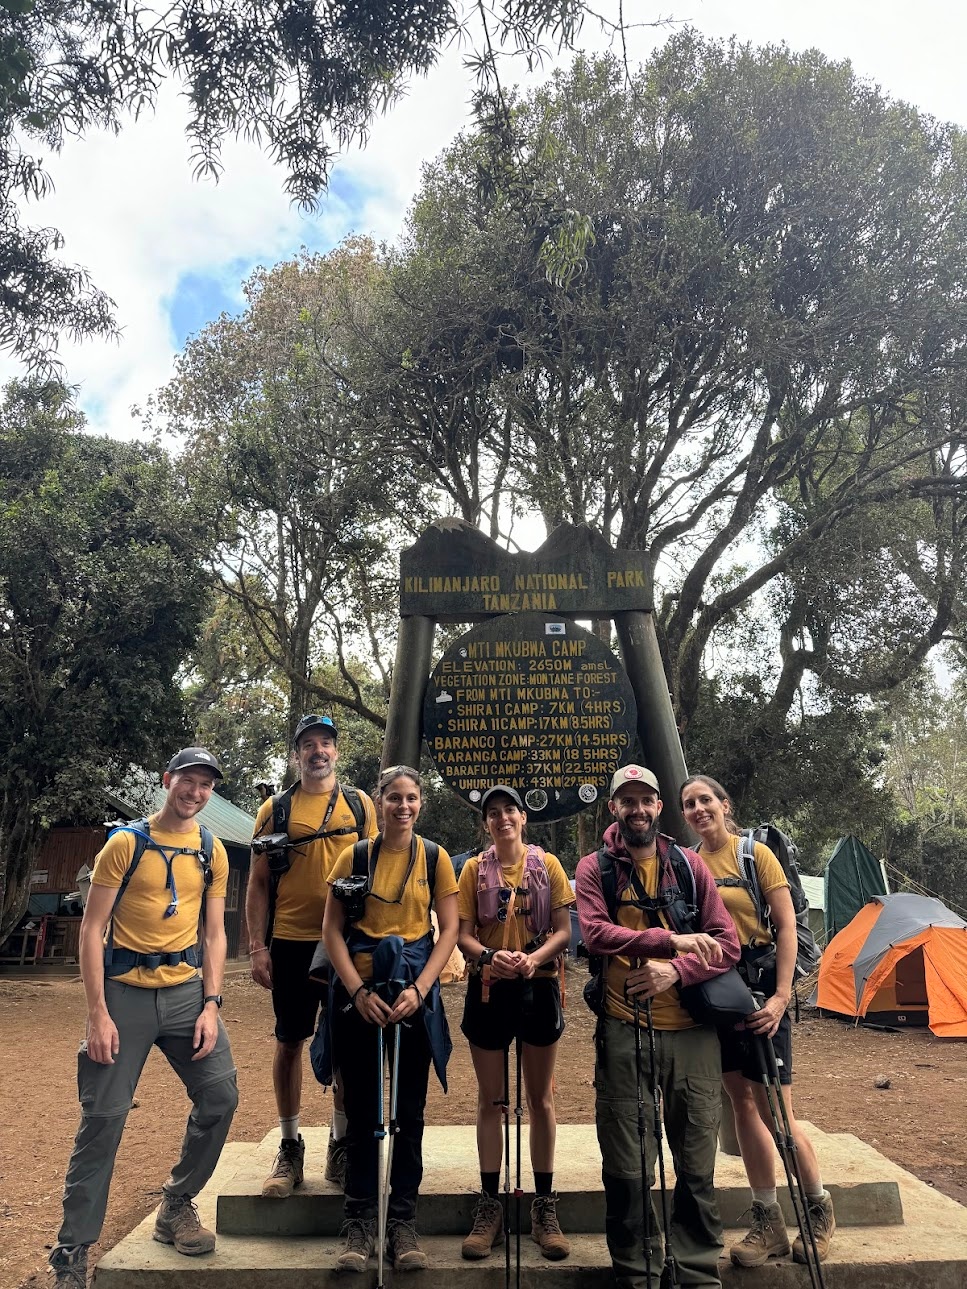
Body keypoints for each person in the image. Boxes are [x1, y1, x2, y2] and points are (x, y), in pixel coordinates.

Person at [49, 748, 239, 1289]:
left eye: (205, 785)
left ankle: (176, 1204)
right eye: (188, 780)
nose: (195, 792)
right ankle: (72, 1251)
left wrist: (211, 1003)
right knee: (104, 1118)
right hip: (124, 995)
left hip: (185, 993)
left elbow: (215, 933)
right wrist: (97, 1014)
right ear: (168, 780)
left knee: (221, 1095)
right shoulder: (124, 845)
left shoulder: (211, 850)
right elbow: (91, 929)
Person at [575, 764, 741, 1289]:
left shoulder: (690, 867)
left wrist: (677, 970)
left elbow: (727, 942)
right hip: (625, 1029)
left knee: (695, 1157)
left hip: (692, 1031)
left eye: (646, 800)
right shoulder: (593, 869)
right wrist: (667, 941)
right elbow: (596, 934)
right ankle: (637, 1271)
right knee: (627, 1161)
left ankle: (694, 1272)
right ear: (613, 809)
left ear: (658, 807)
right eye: (627, 801)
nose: (638, 809)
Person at [679, 775, 836, 1268]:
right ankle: (767, 1217)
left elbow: (786, 925)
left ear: (725, 806)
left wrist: (783, 996)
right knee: (741, 1102)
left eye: (706, 800)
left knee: (776, 1112)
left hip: (765, 993)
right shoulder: (689, 863)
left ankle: (817, 1208)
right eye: (689, 804)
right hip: (721, 994)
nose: (699, 809)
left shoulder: (755, 854)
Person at [322, 764, 458, 1274]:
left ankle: (401, 1221)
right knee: (361, 1111)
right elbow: (331, 930)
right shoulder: (353, 856)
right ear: (378, 802)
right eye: (394, 797)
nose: (404, 806)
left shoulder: (435, 857)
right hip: (361, 996)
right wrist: (356, 991)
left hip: (410, 998)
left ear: (421, 803)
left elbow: (447, 930)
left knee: (409, 1114)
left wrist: (421, 991)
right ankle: (358, 1221)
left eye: (412, 798)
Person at [246, 714, 377, 1199]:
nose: (318, 751)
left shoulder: (362, 805)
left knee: (347, 1043)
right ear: (296, 754)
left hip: (345, 942)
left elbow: (380, 865)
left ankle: (341, 1144)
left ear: (337, 752)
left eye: (325, 743)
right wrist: (258, 946)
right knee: (289, 1040)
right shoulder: (275, 809)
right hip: (292, 942)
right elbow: (258, 884)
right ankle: (289, 1145)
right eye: (308, 745)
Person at [457, 784, 574, 1262]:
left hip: (538, 985)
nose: (503, 818)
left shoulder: (548, 867)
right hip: (488, 988)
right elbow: (461, 934)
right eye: (493, 813)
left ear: (523, 818)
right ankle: (491, 1207)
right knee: (491, 1100)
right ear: (486, 823)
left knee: (540, 1098)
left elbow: (565, 930)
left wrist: (533, 958)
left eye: (510, 811)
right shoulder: (472, 869)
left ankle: (544, 1206)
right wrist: (489, 956)